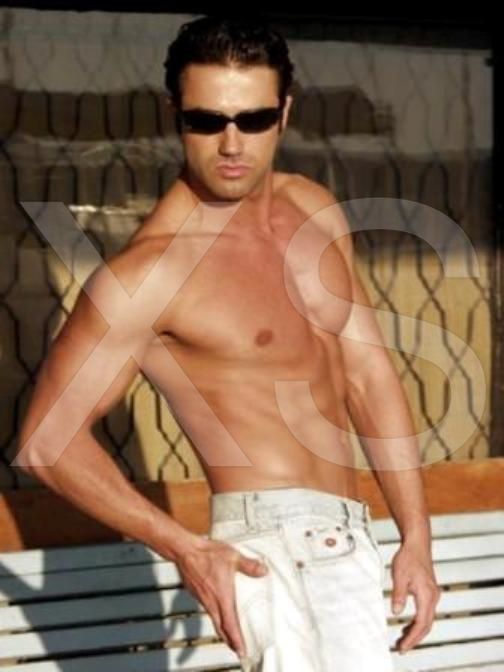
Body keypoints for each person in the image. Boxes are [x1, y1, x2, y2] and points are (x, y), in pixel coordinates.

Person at [14, 15, 441, 672]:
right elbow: (48, 442)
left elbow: (366, 373)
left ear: (285, 112)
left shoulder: (312, 208)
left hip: (350, 537)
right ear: (176, 115)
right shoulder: (154, 272)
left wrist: (416, 535)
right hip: (270, 548)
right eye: (207, 121)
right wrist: (183, 546)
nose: (232, 143)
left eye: (254, 119)